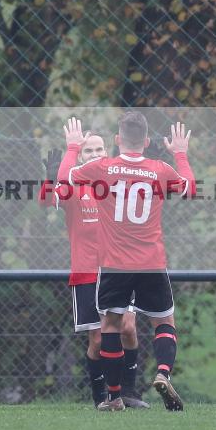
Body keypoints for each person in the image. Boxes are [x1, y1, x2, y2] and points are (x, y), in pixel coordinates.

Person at [57, 113, 195, 412]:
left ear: (117, 140)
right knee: (164, 323)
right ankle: (162, 372)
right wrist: (181, 154)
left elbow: (64, 178)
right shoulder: (160, 169)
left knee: (111, 325)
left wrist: (71, 148)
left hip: (114, 264)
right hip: (151, 263)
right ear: (146, 141)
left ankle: (116, 396)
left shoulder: (102, 169)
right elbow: (189, 188)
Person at [41, 134, 149, 409]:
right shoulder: (74, 186)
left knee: (127, 328)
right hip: (87, 271)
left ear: (107, 151)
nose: (95, 153)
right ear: (80, 156)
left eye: (99, 148)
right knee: (98, 338)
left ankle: (128, 392)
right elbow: (45, 202)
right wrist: (52, 178)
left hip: (120, 270)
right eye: (88, 150)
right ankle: (101, 398)